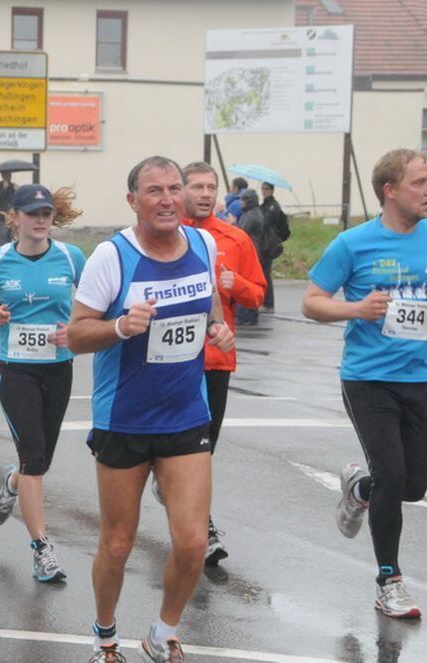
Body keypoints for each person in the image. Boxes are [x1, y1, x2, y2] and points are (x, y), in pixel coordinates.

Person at [67, 156, 234, 663]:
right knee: (117, 544)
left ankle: (163, 633)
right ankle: (104, 635)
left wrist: (218, 329)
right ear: (133, 201)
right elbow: (76, 334)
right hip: (124, 420)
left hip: (186, 415)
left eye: (174, 189)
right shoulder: (111, 257)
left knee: (190, 544)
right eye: (154, 191)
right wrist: (119, 327)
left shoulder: (204, 244)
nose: (167, 199)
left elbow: (210, 305)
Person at [301, 148, 427, 619]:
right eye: (419, 182)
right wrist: (356, 309)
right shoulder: (353, 244)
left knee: (413, 486)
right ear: (390, 190)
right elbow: (312, 302)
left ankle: (359, 488)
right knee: (393, 476)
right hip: (368, 378)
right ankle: (389, 581)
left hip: (419, 376)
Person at [0, 184, 86, 583]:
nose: (40, 220)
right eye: (32, 213)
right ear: (14, 218)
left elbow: (95, 305)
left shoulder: (72, 258)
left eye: (46, 213)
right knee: (34, 456)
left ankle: (10, 482)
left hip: (58, 368)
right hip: (15, 369)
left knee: (39, 461)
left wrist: (74, 328)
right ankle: (41, 548)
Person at [172, 161, 266, 566]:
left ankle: (198, 522)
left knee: (204, 449)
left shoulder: (235, 238)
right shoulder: (164, 235)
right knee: (176, 446)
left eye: (212, 187)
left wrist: (236, 285)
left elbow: (257, 296)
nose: (206, 194)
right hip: (171, 361)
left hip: (215, 361)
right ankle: (199, 526)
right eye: (197, 186)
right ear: (182, 190)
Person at [234, 189, 277, 326]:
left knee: (248, 283)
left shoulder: (252, 215)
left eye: (242, 199)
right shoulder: (252, 213)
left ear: (248, 200)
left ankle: (247, 315)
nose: (240, 202)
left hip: (252, 251)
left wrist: (232, 223)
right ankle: (247, 314)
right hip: (253, 250)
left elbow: (241, 232)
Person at [259, 182, 290, 314]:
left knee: (266, 274)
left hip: (268, 244)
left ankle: (268, 303)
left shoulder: (272, 206)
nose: (264, 191)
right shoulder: (264, 205)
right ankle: (264, 301)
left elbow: (265, 222)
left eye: (266, 189)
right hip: (264, 243)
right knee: (263, 273)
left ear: (272, 190)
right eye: (263, 189)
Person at [0, 171, 16, 245]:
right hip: (1, 215)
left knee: (10, 236)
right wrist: (4, 189)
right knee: (3, 235)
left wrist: (17, 189)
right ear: (2, 176)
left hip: (11, 215)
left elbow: (16, 198)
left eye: (10, 174)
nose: (9, 176)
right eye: (7, 175)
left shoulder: (13, 186)